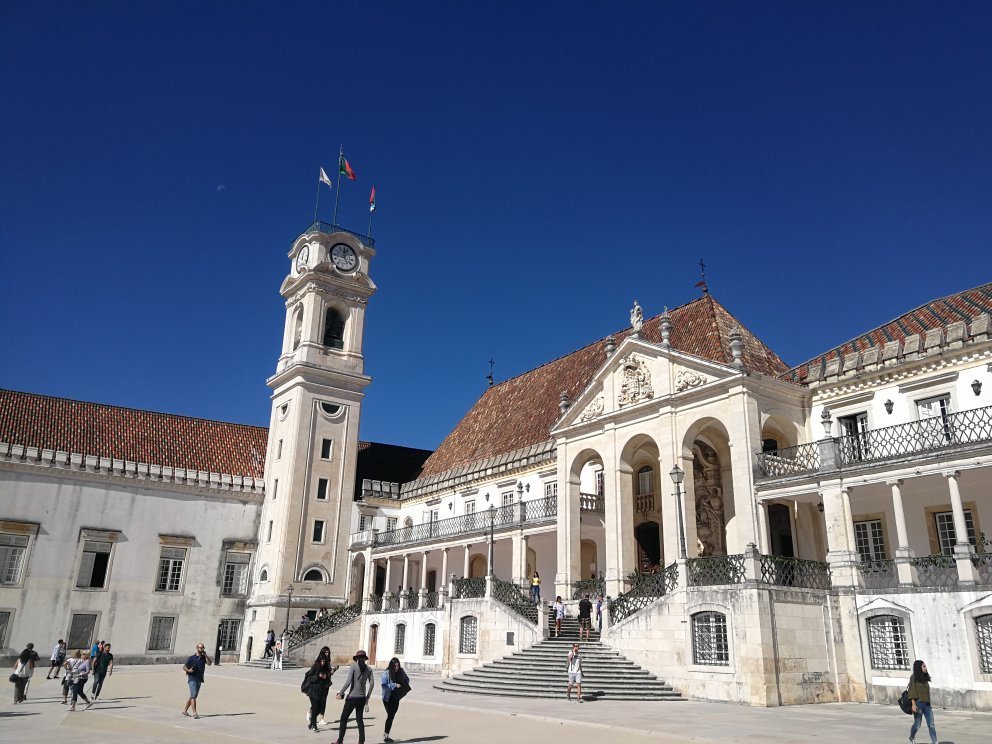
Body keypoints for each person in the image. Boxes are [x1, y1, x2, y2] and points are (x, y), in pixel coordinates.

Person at [332, 649, 374, 744]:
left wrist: (341, 693)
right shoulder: (369, 669)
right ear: (364, 659)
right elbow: (372, 684)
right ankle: (361, 741)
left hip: (352, 697)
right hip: (362, 698)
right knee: (359, 719)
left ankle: (340, 740)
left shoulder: (354, 666)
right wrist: (368, 697)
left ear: (357, 658)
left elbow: (348, 682)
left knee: (344, 718)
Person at [380, 656, 410, 743]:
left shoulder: (401, 671)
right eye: (395, 666)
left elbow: (407, 679)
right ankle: (386, 735)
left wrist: (402, 684)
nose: (397, 668)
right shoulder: (386, 673)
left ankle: (386, 734)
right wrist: (394, 685)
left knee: (391, 716)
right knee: (390, 716)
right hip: (387, 697)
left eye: (398, 666)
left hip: (396, 697)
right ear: (391, 666)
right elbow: (383, 686)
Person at [908, 659, 937, 744]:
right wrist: (913, 704)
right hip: (918, 704)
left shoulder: (925, 677)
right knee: (917, 725)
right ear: (919, 668)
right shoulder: (913, 678)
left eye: (925, 666)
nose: (926, 668)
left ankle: (935, 742)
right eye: (924, 666)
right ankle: (911, 737)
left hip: (927, 705)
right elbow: (912, 691)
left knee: (931, 725)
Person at [182, 641, 212, 718]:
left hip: (199, 679)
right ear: (197, 648)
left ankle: (184, 711)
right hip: (192, 678)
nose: (201, 649)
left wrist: (206, 655)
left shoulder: (203, 658)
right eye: (200, 647)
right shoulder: (191, 658)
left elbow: (209, 663)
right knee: (194, 696)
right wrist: (188, 671)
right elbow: (184, 667)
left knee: (193, 695)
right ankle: (195, 713)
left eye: (203, 647)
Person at [308, 646, 336, 726]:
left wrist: (330, 673)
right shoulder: (317, 664)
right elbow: (311, 675)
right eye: (325, 652)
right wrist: (319, 676)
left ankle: (321, 719)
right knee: (317, 704)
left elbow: (327, 673)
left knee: (323, 702)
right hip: (317, 687)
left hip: (326, 684)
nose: (327, 654)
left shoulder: (328, 662)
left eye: (328, 652)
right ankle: (311, 714)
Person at [305, 656, 333, 732]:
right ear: (318, 661)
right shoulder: (315, 667)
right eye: (321, 661)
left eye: (324, 661)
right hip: (313, 691)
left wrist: (326, 676)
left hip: (321, 691)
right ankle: (314, 726)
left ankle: (311, 723)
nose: (323, 663)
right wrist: (318, 676)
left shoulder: (325, 668)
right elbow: (309, 678)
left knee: (320, 708)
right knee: (315, 707)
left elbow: (328, 679)